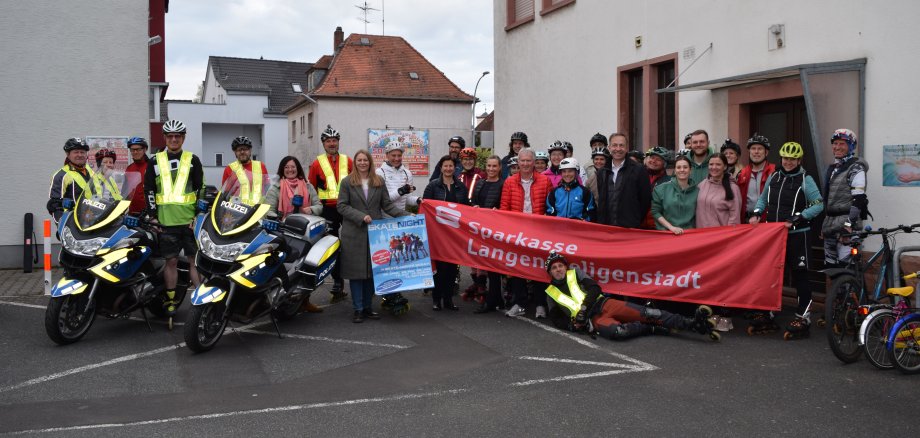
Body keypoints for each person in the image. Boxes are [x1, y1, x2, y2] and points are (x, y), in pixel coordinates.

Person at [543, 252, 718, 341]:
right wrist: (572, 326)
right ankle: (649, 328)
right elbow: (555, 318)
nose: (558, 270)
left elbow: (595, 288)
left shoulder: (576, 273)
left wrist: (583, 308)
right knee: (618, 333)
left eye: (560, 266)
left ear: (565, 267)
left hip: (604, 305)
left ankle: (691, 324)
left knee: (650, 313)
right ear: (550, 272)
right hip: (593, 321)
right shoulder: (550, 291)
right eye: (554, 268)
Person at [749, 142, 824, 338]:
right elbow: (763, 199)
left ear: (799, 160)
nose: (788, 162)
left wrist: (799, 217)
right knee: (772, 275)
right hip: (774, 236)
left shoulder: (806, 179)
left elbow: (818, 205)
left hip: (798, 235)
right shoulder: (774, 176)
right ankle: (768, 311)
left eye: (792, 159)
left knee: (800, 276)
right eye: (785, 158)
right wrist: (757, 213)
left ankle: (803, 315)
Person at [337, 150, 411, 323]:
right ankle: (358, 309)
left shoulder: (378, 181)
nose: (362, 163)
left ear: (370, 163)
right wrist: (360, 216)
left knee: (371, 272)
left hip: (375, 234)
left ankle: (368, 308)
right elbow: (341, 206)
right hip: (354, 233)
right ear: (355, 163)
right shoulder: (347, 182)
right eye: (359, 160)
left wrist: (406, 215)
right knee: (356, 274)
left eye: (365, 160)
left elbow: (387, 206)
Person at [144, 119, 203, 317]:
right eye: (170, 136)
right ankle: (170, 300)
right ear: (165, 138)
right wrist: (152, 216)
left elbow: (199, 190)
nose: (174, 139)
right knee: (171, 263)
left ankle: (202, 300)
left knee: (195, 262)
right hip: (166, 223)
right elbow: (149, 190)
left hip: (189, 223)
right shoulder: (155, 161)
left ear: (183, 138)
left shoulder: (193, 159)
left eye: (178, 136)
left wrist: (198, 216)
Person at [263, 156, 323, 313]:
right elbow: (268, 208)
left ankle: (304, 300)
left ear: (298, 169)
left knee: (306, 267)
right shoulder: (276, 187)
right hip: (282, 231)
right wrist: (274, 217)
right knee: (282, 265)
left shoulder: (307, 186)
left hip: (305, 231)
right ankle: (277, 298)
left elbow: (319, 206)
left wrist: (309, 210)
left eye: (293, 167)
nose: (290, 170)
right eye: (287, 167)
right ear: (282, 170)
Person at [500, 148, 553, 318]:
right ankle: (519, 303)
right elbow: (504, 209)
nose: (525, 164)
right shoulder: (509, 182)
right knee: (518, 268)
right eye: (522, 161)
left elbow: (550, 207)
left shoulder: (545, 181)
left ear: (534, 162)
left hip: (539, 232)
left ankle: (540, 304)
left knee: (539, 267)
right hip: (517, 233)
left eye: (528, 161)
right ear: (518, 162)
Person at [308, 125, 353, 303]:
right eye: (328, 141)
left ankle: (358, 278)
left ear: (338, 142)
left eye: (334, 140)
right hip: (327, 209)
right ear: (323, 144)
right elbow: (311, 188)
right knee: (332, 246)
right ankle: (337, 282)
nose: (332, 144)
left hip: (347, 207)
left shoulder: (348, 161)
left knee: (352, 244)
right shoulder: (317, 163)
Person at [423, 155, 472, 311]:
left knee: (452, 268)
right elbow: (426, 207)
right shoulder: (432, 186)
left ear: (455, 168)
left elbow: (466, 208)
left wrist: (475, 209)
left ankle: (449, 299)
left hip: (454, 235)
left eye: (451, 166)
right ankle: (436, 299)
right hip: (437, 234)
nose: (448, 169)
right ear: (441, 167)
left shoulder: (461, 187)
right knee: (439, 268)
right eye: (445, 166)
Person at [821, 128, 869, 268]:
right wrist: (825, 225)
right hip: (830, 225)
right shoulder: (832, 168)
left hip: (847, 227)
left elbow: (859, 199)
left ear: (851, 146)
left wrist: (848, 225)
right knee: (831, 268)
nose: (837, 147)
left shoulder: (856, 168)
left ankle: (853, 290)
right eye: (835, 143)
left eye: (842, 143)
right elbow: (828, 199)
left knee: (846, 268)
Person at [585, 133, 651, 228]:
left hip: (630, 227)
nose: (618, 149)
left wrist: (634, 219)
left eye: (621, 145)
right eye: (615, 145)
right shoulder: (602, 172)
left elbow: (645, 200)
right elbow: (602, 200)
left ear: (627, 148)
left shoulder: (639, 170)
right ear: (609, 147)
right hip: (607, 227)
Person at [471, 155, 506, 314]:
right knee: (486, 265)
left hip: (497, 231)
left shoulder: (503, 184)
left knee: (494, 267)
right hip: (482, 231)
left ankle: (493, 300)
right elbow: (473, 202)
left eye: (494, 166)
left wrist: (498, 211)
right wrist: (475, 207)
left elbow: (505, 205)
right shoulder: (480, 183)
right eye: (489, 166)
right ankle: (495, 298)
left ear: (499, 168)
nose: (491, 169)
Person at [48, 138, 94, 222]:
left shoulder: (92, 172)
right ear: (68, 154)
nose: (80, 155)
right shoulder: (61, 175)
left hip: (93, 221)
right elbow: (55, 205)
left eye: (82, 152)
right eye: (76, 152)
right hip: (72, 224)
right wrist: (62, 226)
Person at [652, 155, 699, 235]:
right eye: (679, 167)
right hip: (667, 233)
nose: (682, 170)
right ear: (675, 170)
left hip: (690, 234)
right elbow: (655, 212)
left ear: (690, 170)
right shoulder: (661, 189)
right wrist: (671, 228)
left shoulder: (697, 191)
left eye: (685, 167)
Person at [736, 133, 776, 221]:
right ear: (749, 152)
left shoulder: (775, 172)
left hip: (769, 221)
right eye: (753, 149)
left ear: (766, 152)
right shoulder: (741, 173)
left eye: (760, 149)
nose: (756, 152)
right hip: (747, 221)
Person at [695, 153, 741, 228]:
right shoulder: (702, 184)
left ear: (725, 166)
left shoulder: (733, 188)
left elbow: (734, 218)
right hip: (701, 235)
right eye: (711, 164)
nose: (714, 167)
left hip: (720, 236)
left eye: (718, 164)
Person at [221, 136, 268, 205]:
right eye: (239, 150)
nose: (242, 152)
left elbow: (267, 189)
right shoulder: (229, 168)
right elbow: (225, 193)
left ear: (250, 150)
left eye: (245, 149)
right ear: (235, 152)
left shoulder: (261, 166)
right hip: (237, 210)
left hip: (258, 210)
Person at [376, 141, 421, 213]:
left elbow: (407, 199)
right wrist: (401, 191)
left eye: (399, 155)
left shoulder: (407, 173)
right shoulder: (379, 172)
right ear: (387, 155)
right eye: (393, 155)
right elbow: (381, 200)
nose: (396, 159)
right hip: (384, 218)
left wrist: (418, 200)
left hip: (401, 216)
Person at [641, 146, 673, 229]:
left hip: (659, 228)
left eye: (658, 159)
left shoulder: (669, 182)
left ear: (664, 164)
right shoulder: (637, 177)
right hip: (638, 226)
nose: (653, 161)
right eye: (652, 158)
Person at [125, 137, 150, 215]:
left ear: (145, 149)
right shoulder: (129, 168)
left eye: (138, 149)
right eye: (132, 150)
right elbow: (125, 192)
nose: (135, 152)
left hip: (148, 214)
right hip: (132, 213)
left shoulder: (151, 166)